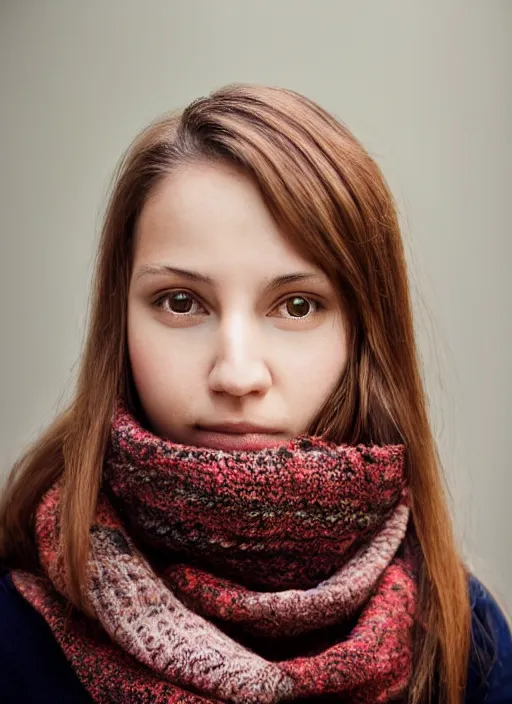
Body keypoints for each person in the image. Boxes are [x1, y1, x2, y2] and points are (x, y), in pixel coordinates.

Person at [0, 84, 510, 704]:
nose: (237, 374)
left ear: (364, 335)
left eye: (296, 306)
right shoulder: (13, 633)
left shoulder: (462, 636)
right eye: (181, 302)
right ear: (120, 322)